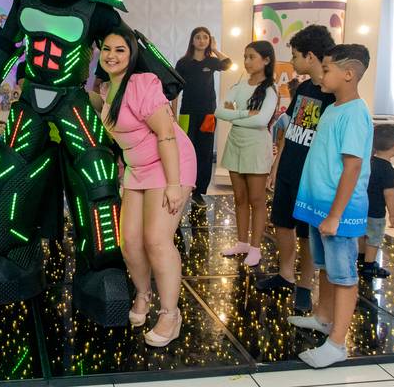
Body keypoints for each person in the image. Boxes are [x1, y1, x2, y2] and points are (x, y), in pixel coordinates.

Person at [89, 23, 196, 347]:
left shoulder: (143, 84)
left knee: (156, 240)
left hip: (169, 164)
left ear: (132, 54)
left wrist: (174, 185)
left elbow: (166, 135)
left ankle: (170, 315)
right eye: (107, 49)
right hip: (137, 170)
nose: (111, 55)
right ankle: (143, 294)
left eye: (120, 50)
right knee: (130, 242)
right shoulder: (107, 89)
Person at [289, 44, 373, 368]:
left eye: (326, 70)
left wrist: (336, 215)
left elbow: (352, 167)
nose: (321, 75)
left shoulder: (355, 114)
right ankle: (323, 318)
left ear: (348, 74)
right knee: (325, 267)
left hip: (338, 212)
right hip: (319, 207)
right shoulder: (334, 108)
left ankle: (337, 343)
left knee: (343, 276)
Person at [256, 25, 336, 312]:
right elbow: (290, 131)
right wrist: (276, 167)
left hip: (311, 177)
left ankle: (304, 285)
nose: (292, 61)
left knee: (307, 233)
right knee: (282, 223)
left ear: (310, 56)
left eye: (295, 56)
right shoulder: (303, 88)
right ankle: (285, 274)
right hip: (289, 169)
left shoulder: (332, 95)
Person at [216, 41, 278, 267]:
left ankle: (255, 248)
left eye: (252, 57)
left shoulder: (270, 89)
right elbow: (219, 111)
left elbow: (262, 120)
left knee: (257, 200)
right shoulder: (239, 85)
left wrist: (235, 115)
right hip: (235, 143)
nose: (247, 61)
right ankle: (241, 243)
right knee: (239, 198)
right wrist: (245, 113)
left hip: (256, 146)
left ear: (266, 60)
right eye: (245, 57)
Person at [174, 27, 232, 208]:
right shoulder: (183, 63)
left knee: (204, 153)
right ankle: (182, 188)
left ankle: (198, 193)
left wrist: (214, 49)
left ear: (209, 40)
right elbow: (175, 89)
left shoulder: (212, 61)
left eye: (205, 37)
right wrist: (173, 115)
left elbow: (228, 64)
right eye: (197, 37)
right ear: (192, 41)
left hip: (208, 114)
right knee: (185, 152)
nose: (201, 40)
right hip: (187, 113)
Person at [360, 124, 394, 278]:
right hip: (376, 213)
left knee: (362, 235)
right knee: (373, 239)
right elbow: (389, 195)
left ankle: (361, 259)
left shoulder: (367, 162)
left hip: (360, 208)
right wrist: (393, 215)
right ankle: (369, 267)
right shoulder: (389, 170)